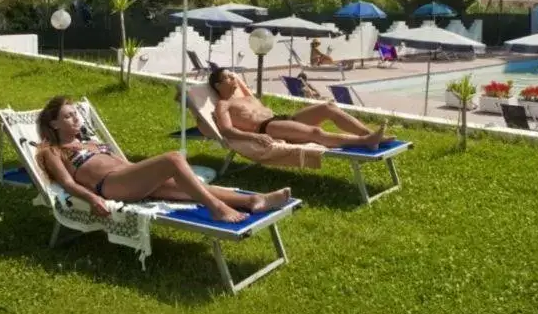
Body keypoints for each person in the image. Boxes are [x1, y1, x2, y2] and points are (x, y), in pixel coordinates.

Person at [35, 95, 291, 223]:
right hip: (110, 186)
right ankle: (217, 208)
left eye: (76, 113)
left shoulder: (88, 141)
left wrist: (146, 175)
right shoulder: (53, 150)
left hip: (130, 177)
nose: (76, 118)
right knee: (173, 158)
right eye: (68, 116)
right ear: (54, 124)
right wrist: (93, 199)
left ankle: (253, 200)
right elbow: (68, 184)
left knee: (190, 188)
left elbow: (121, 162)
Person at [209, 67, 390, 150]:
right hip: (266, 128)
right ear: (218, 85)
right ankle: (365, 141)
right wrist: (255, 136)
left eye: (234, 76)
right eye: (228, 77)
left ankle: (371, 135)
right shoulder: (223, 104)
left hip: (282, 119)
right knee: (315, 132)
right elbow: (226, 130)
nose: (234, 79)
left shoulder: (247, 96)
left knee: (328, 107)